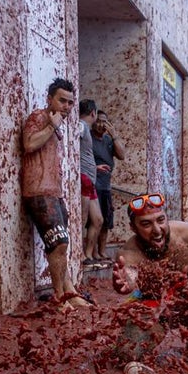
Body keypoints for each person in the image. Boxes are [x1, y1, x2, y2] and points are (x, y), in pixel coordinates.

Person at [20, 77, 90, 309]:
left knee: (62, 245)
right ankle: (60, 298)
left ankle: (69, 292)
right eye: (62, 101)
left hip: (54, 193)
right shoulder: (39, 117)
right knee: (59, 243)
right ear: (50, 99)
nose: (66, 107)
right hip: (38, 192)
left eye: (70, 103)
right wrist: (51, 126)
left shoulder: (56, 123)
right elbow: (29, 144)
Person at [91, 110, 125, 262]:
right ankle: (92, 252)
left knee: (106, 221)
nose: (101, 125)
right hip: (93, 185)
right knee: (94, 221)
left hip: (106, 186)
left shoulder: (108, 140)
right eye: (98, 121)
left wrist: (114, 135)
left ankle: (102, 251)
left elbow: (122, 155)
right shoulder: (88, 137)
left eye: (104, 122)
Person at [77, 99, 104, 265]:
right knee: (82, 218)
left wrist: (95, 167)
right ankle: (79, 254)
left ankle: (88, 254)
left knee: (98, 219)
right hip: (83, 178)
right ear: (93, 113)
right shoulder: (81, 125)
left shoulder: (84, 127)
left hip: (89, 179)